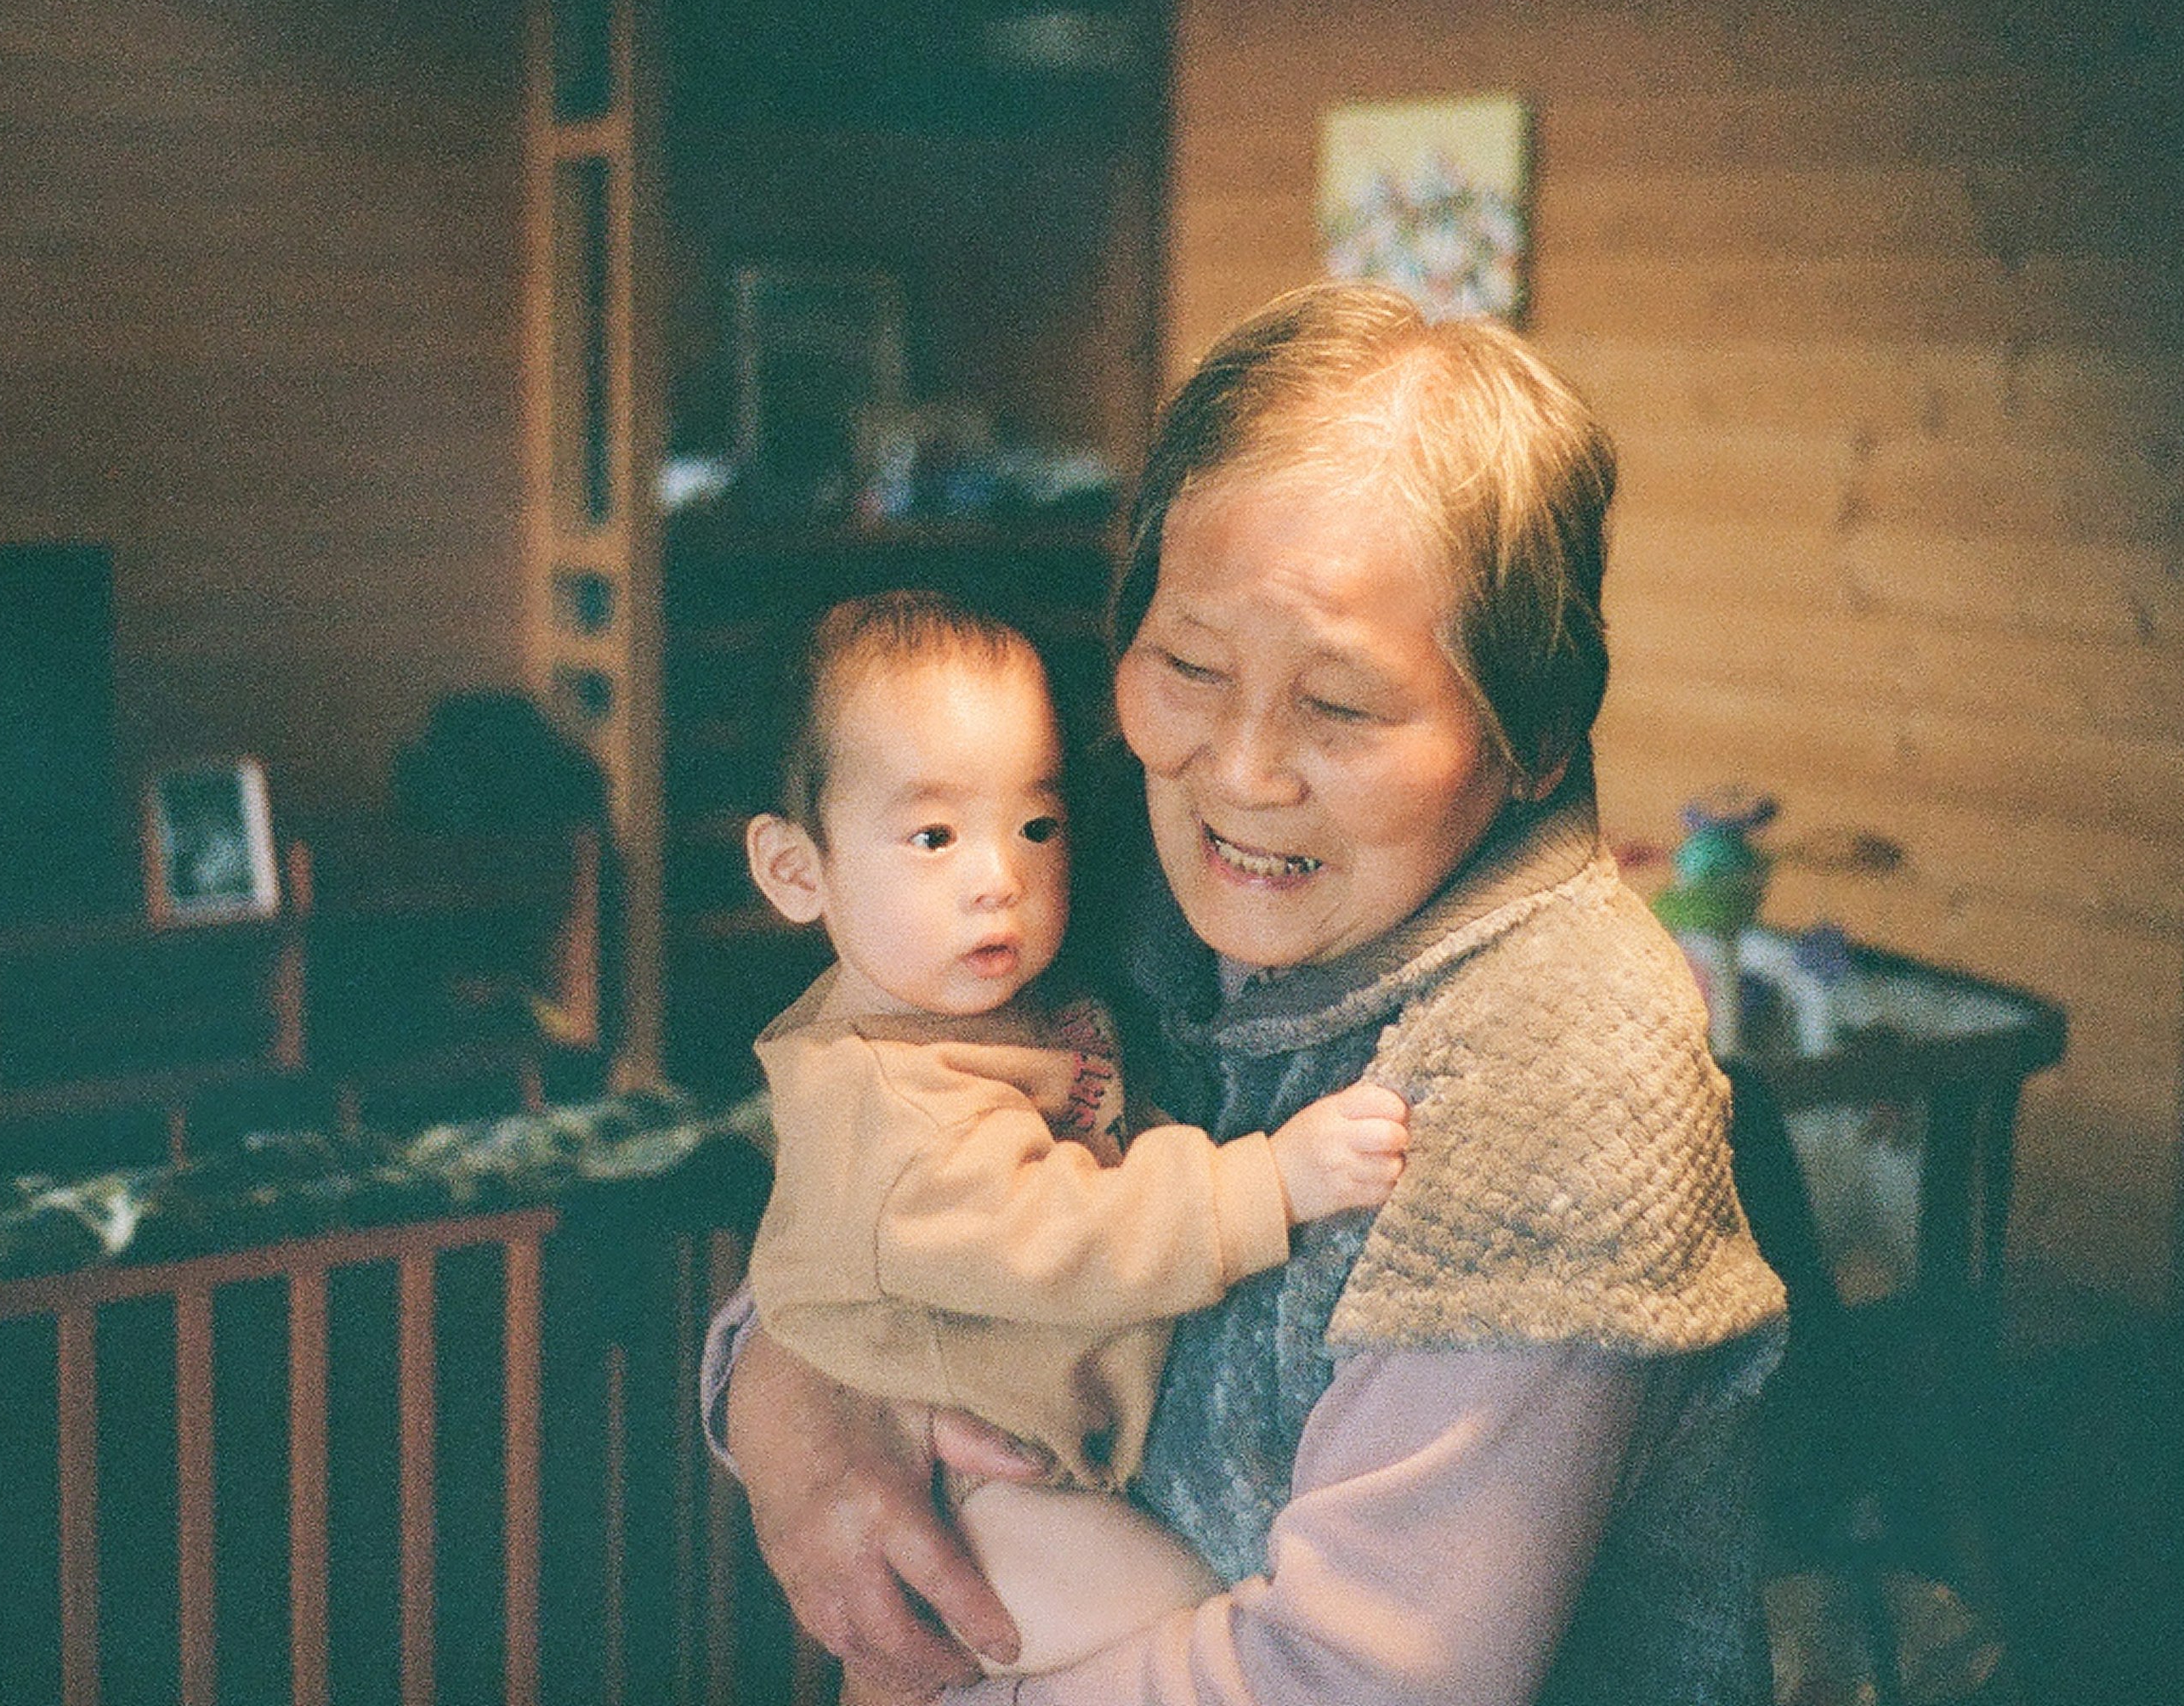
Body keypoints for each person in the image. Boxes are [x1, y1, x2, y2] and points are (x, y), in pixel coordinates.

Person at [718, 282, 1791, 1706]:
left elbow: (1358, 1682)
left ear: (1534, 730)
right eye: (1188, 664)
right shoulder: (1096, 856)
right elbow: (859, 1175)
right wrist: (791, 1400)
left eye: (1340, 705)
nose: (1241, 767)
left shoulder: (1553, 1061)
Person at [740, 590, 1415, 1675]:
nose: (997, 880)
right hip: (981, 1495)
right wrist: (1273, 1184)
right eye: (933, 835)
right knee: (1206, 1627)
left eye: (1036, 826)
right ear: (795, 870)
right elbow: (1056, 1232)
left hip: (1042, 1456)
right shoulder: (882, 1101)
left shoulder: (970, 998)